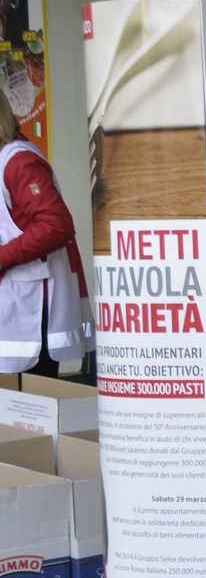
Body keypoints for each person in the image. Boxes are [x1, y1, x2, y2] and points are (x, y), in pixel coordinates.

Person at [0, 98, 92, 376]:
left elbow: (56, 225)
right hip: (17, 311)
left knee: (26, 413)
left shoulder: (18, 162)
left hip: (31, 315)